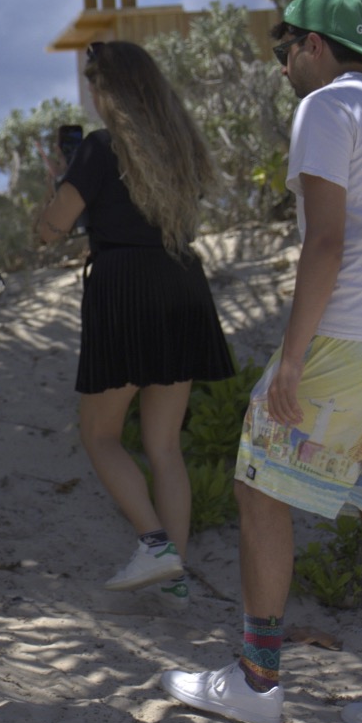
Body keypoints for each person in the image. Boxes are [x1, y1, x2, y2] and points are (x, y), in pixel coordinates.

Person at [162, 0, 362, 723]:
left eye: (284, 47)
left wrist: (291, 360)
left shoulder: (327, 110)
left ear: (317, 45)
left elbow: (326, 243)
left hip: (351, 337)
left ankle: (258, 684)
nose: (282, 64)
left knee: (259, 483)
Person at [33, 40, 235, 602]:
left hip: (124, 289)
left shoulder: (100, 149)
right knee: (165, 446)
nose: (92, 96)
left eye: (95, 85)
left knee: (99, 434)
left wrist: (55, 185)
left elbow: (53, 227)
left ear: (110, 92)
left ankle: (154, 545)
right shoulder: (180, 147)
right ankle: (175, 579)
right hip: (181, 282)